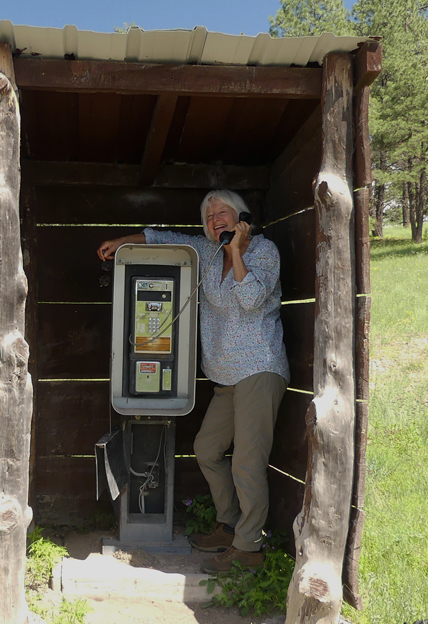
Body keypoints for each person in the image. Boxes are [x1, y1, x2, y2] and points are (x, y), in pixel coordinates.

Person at [97, 190, 290, 573]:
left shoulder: (264, 252)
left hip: (259, 368)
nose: (215, 217)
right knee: (206, 449)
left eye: (223, 211)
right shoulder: (204, 251)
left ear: (241, 216)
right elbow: (161, 238)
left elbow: (251, 298)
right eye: (209, 214)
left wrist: (235, 250)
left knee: (248, 463)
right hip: (225, 375)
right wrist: (122, 243)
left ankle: (249, 548)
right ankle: (230, 523)